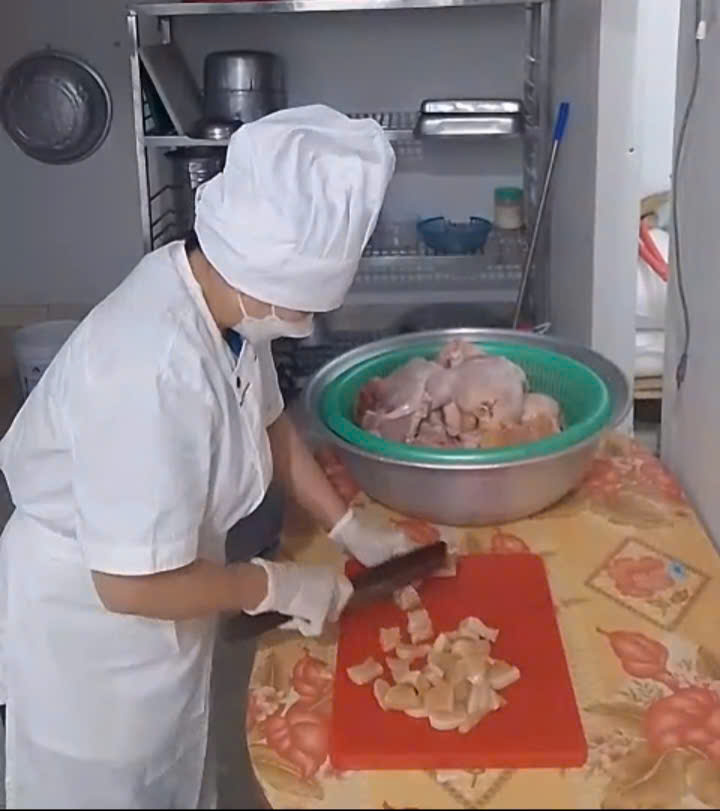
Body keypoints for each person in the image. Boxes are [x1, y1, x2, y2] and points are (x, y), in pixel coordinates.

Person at [0, 104, 414, 808]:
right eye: (303, 305)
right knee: (111, 786)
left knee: (177, 767)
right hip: (92, 636)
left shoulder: (218, 298)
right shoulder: (148, 368)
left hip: (174, 588)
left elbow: (268, 418)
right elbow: (128, 586)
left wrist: (346, 525)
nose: (307, 323)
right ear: (261, 271)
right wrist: (273, 586)